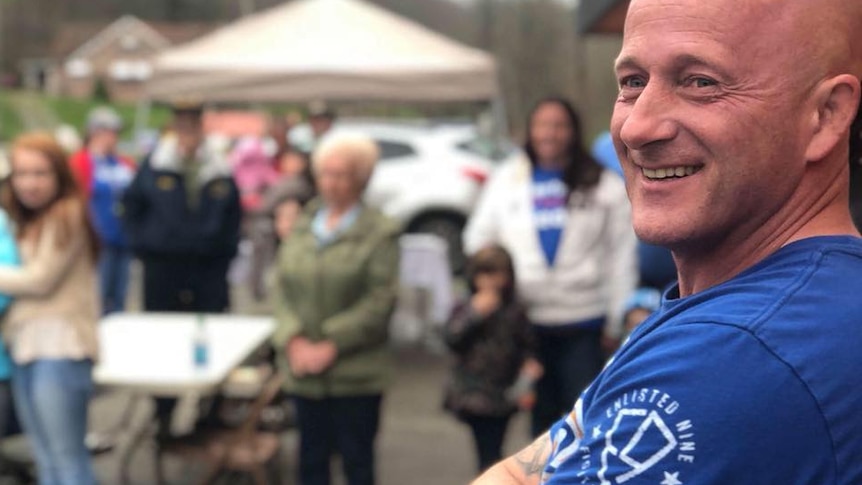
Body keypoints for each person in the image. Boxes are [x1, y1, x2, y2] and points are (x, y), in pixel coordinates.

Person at [472, 0, 862, 483]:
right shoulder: (813, 300)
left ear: (825, 115)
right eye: (632, 82)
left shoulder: (735, 353)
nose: (637, 127)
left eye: (701, 83)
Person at [463, 97, 638, 437]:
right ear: (530, 131)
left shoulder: (603, 185)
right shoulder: (508, 180)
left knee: (585, 421)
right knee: (539, 426)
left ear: (573, 131)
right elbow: (477, 239)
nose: (550, 133)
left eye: (559, 125)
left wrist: (619, 318)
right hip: (525, 327)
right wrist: (494, 285)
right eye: (542, 124)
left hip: (584, 324)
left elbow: (621, 255)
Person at [271, 133, 400, 485]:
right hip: (304, 375)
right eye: (325, 173)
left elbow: (381, 300)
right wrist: (293, 339)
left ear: (360, 178)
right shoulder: (303, 224)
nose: (330, 182)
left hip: (355, 376)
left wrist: (330, 343)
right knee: (310, 462)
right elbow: (280, 287)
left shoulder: (379, 232)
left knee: (357, 463)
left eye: (341, 174)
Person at [122, 102, 241, 434]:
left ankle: (210, 413)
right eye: (183, 125)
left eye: (194, 125)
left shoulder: (217, 166)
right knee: (163, 340)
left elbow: (233, 214)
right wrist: (144, 246)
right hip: (164, 268)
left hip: (208, 268)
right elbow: (131, 208)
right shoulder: (156, 165)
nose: (189, 133)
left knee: (213, 335)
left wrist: (224, 252)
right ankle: (163, 414)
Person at [0, 132, 101, 484]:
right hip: (25, 348)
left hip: (60, 348)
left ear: (59, 175)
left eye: (40, 173)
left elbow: (39, 279)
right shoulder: (26, 221)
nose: (29, 183)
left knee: (67, 459)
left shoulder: (67, 214)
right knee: (45, 459)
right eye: (22, 173)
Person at [443, 245, 541, 473]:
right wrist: (473, 315)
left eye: (497, 274)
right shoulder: (465, 306)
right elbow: (451, 338)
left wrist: (529, 367)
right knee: (486, 452)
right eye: (484, 274)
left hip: (504, 391)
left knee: (494, 450)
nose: (490, 282)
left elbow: (527, 344)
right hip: (472, 391)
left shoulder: (515, 310)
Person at [69, 106, 136, 314]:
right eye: (109, 132)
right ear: (93, 133)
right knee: (97, 297)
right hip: (96, 243)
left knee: (120, 298)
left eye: (115, 133)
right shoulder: (80, 161)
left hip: (124, 240)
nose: (113, 138)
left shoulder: (125, 163)